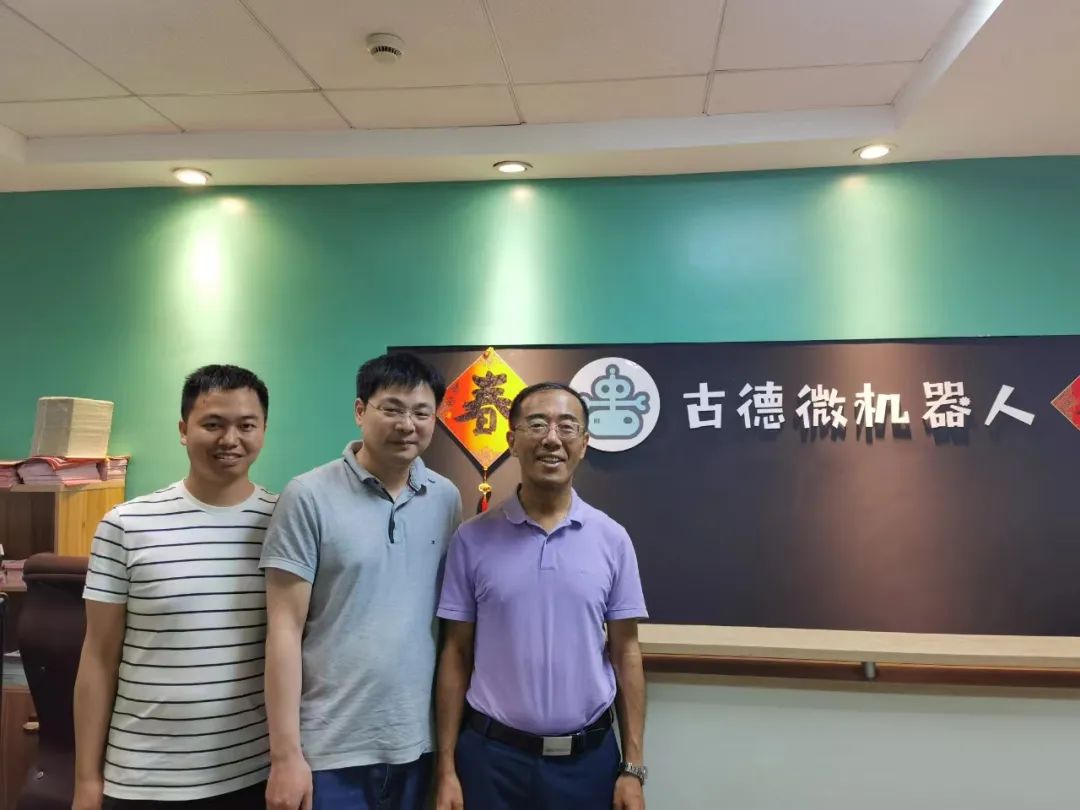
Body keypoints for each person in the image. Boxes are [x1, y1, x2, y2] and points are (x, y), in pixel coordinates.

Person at [435, 382, 649, 810]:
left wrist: (633, 768)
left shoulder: (612, 539)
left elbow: (626, 652)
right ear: (512, 441)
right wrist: (446, 770)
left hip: (588, 765)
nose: (552, 438)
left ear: (584, 444)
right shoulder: (471, 539)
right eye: (537, 424)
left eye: (567, 427)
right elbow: (456, 652)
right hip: (491, 762)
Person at [261, 352, 462, 810]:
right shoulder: (307, 495)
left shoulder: (446, 498)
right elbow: (284, 629)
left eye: (422, 413)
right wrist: (286, 755)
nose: (407, 425)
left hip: (418, 747)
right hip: (329, 751)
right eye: (391, 409)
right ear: (359, 410)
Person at [74, 364, 275, 810]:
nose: (230, 439)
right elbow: (98, 658)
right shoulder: (126, 525)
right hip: (142, 779)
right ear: (184, 430)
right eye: (212, 424)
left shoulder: (285, 524)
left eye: (246, 425)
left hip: (251, 773)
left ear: (263, 430)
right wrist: (86, 780)